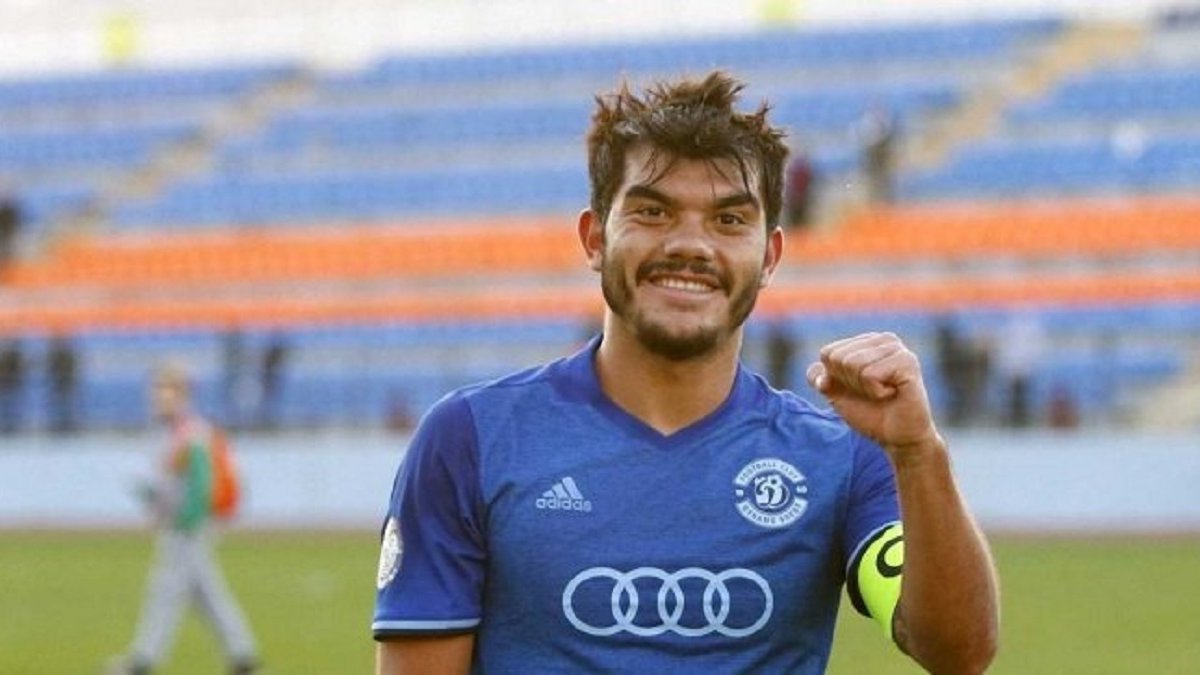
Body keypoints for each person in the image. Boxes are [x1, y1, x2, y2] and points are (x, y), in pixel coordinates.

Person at [373, 72, 998, 674]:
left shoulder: (841, 454)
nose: (691, 245)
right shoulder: (470, 439)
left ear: (769, 256)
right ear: (595, 239)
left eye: (729, 220)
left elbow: (958, 654)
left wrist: (920, 453)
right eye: (653, 212)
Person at [109, 363, 260, 675]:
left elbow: (200, 483)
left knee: (165, 591)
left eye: (166, 390)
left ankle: (143, 660)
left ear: (182, 394)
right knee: (205, 593)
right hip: (181, 522)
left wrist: (185, 517)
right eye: (156, 390)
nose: (158, 397)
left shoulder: (190, 433)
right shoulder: (172, 432)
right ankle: (243, 655)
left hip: (187, 525)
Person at [46, 333, 78, 434]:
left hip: (66, 383)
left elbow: (72, 369)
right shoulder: (55, 355)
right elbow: (51, 369)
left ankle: (67, 423)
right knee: (56, 405)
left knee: (67, 405)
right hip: (57, 383)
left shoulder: (68, 355)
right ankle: (57, 424)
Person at [0, 338, 23, 433]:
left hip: (12, 384)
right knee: (6, 405)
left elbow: (18, 370)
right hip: (5, 384)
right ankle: (6, 424)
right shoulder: (5, 358)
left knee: (13, 405)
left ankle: (12, 424)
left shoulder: (15, 358)